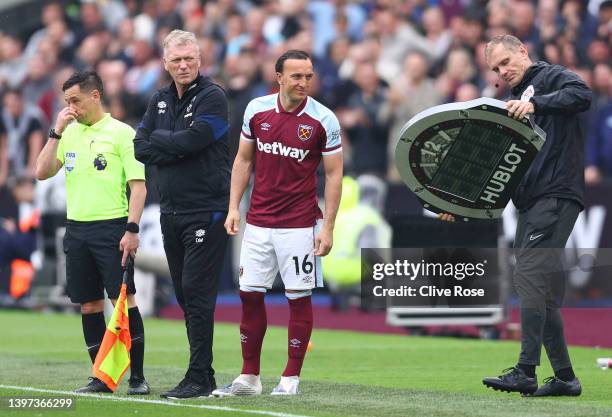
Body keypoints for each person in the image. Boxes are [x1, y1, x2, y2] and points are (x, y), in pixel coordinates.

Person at [439, 34, 592, 397]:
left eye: (507, 62)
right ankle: (566, 378)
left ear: (523, 50)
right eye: (495, 68)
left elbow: (583, 95)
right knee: (543, 291)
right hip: (530, 202)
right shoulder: (514, 101)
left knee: (528, 276)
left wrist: (536, 103)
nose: (503, 71)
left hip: (555, 194)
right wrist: (460, 205)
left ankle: (525, 370)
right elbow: (498, 163)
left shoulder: (552, 78)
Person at [213, 49, 343, 397]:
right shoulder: (256, 110)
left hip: (299, 225)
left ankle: (290, 378)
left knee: (298, 298)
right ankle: (249, 378)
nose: (304, 83)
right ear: (279, 77)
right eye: (297, 76)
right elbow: (242, 161)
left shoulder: (323, 120)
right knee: (249, 295)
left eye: (309, 76)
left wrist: (328, 226)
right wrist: (233, 207)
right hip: (257, 222)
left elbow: (333, 176)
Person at [35, 70, 149, 394]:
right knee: (89, 305)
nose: (70, 107)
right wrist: (56, 130)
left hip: (113, 227)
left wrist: (131, 229)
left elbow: (138, 188)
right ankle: (100, 377)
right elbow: (41, 172)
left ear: (95, 95)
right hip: (77, 230)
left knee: (124, 302)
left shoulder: (122, 133)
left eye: (75, 100)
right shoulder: (67, 133)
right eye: (66, 102)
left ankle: (138, 377)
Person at [133, 29, 230, 399]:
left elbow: (196, 140)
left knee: (197, 292)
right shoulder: (158, 99)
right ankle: (203, 375)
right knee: (184, 295)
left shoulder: (213, 97)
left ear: (200, 60)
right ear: (165, 63)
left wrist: (168, 143)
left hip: (206, 208)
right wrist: (175, 145)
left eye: (189, 57)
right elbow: (140, 147)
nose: (184, 64)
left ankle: (198, 376)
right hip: (170, 209)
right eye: (176, 59)